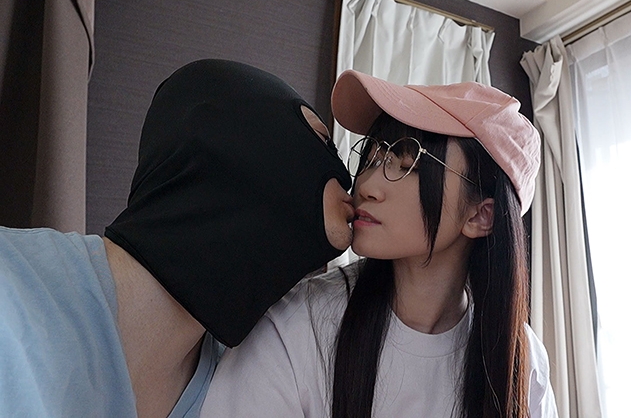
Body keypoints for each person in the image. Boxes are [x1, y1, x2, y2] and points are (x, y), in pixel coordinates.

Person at [0, 59, 355, 417]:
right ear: (234, 137)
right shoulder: (10, 284)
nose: (347, 175)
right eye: (324, 141)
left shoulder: (247, 383)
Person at [201, 70, 559, 417]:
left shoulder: (521, 361)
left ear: (481, 216)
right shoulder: (295, 326)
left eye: (408, 165)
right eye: (371, 158)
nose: (367, 186)